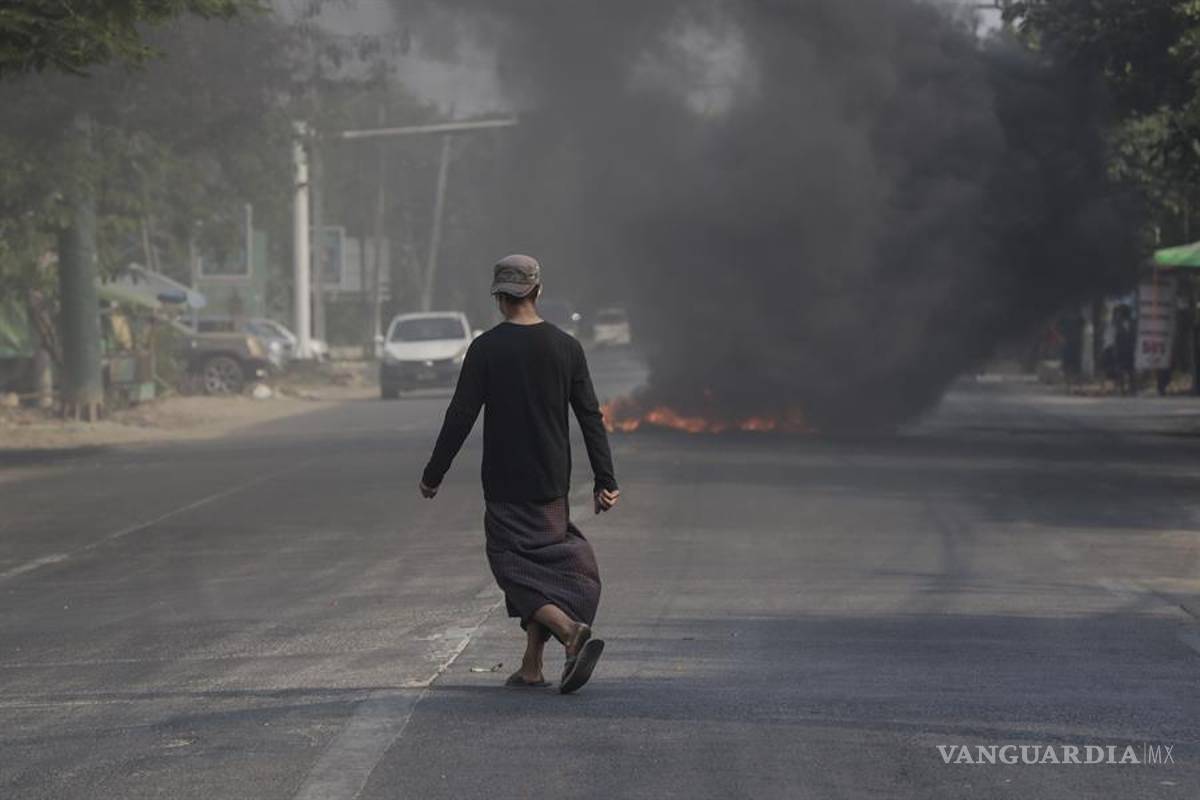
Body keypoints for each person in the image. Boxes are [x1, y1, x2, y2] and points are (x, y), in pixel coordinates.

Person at [419, 254, 621, 695]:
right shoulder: (567, 347)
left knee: (514, 567)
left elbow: (460, 417)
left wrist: (434, 474)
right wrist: (606, 480)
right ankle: (532, 665)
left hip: (507, 484)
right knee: (544, 568)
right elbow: (590, 416)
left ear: (498, 298)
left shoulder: (487, 349)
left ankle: (570, 631)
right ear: (538, 292)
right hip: (552, 484)